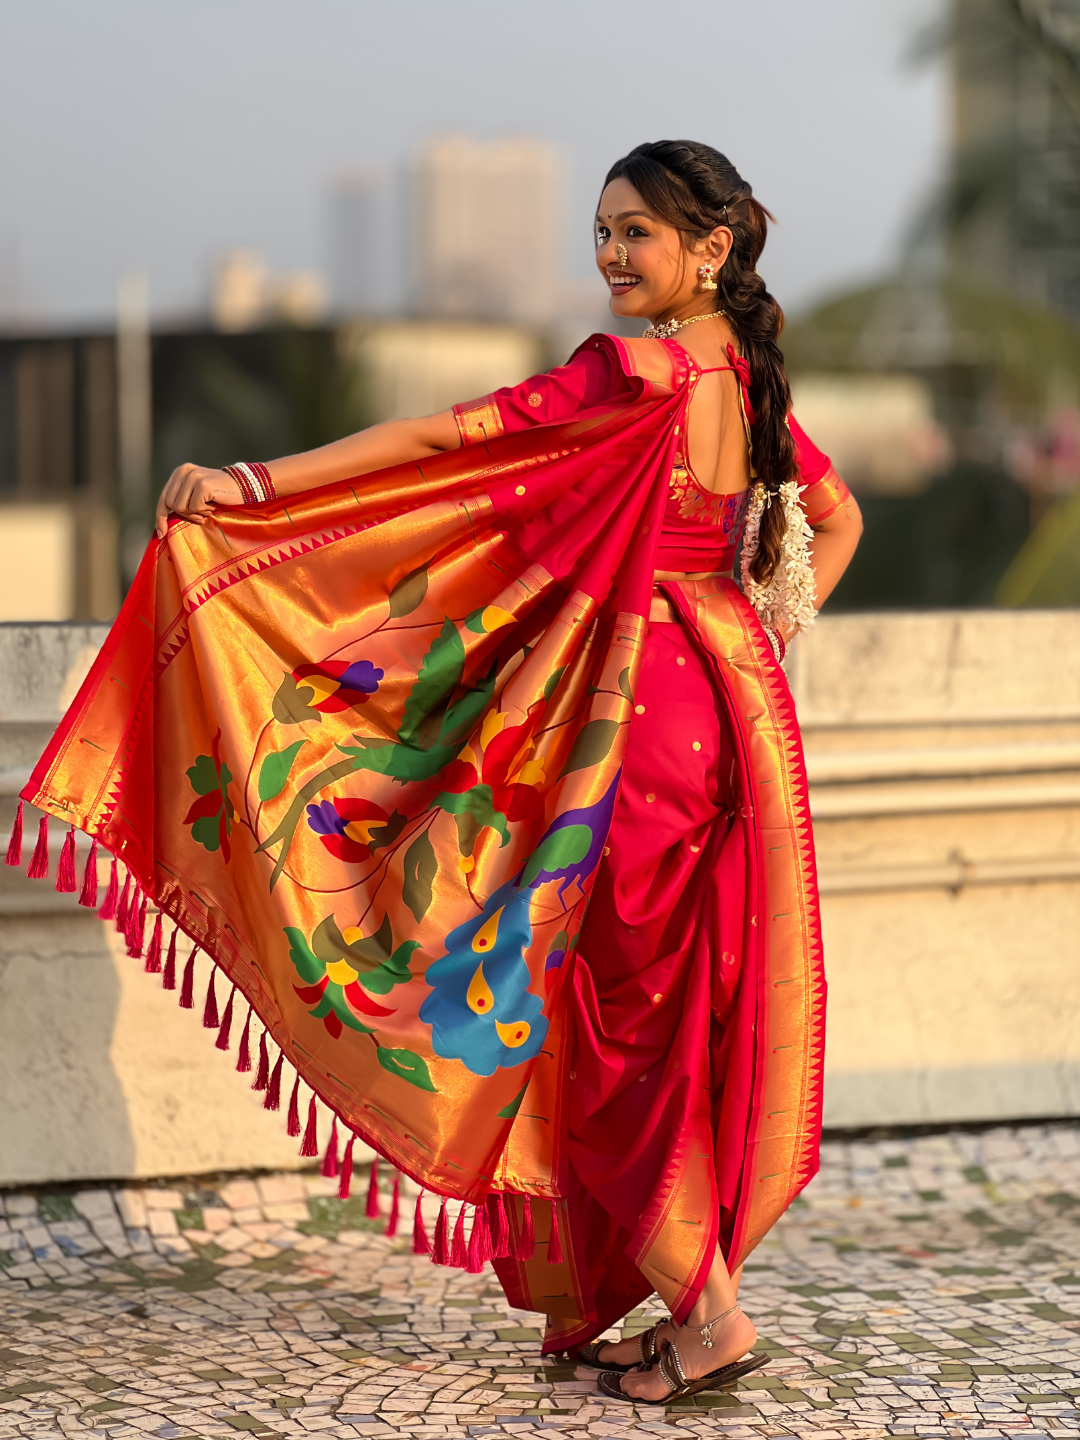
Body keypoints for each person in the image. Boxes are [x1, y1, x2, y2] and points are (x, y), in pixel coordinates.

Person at [22, 141, 860, 1405]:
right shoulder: (746, 381)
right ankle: (678, 1294)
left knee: (615, 1029)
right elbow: (835, 522)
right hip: (729, 717)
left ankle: (710, 1313)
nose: (612, 254)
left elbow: (434, 447)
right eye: (603, 231)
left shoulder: (625, 372)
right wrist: (755, 634)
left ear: (712, 248)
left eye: (637, 232)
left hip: (633, 734)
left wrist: (256, 488)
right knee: (666, 1014)